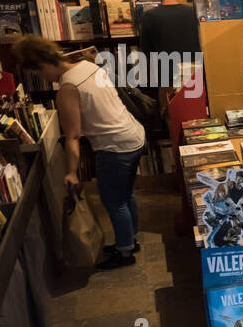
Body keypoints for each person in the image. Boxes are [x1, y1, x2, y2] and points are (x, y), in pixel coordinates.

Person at [13, 36, 147, 270]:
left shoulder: (67, 89)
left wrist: (72, 173)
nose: (44, 79)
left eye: (39, 74)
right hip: (134, 135)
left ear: (43, 66)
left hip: (114, 147)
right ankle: (130, 240)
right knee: (126, 195)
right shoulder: (88, 65)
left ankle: (125, 252)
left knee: (114, 201)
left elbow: (73, 136)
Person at [138, 0, 200, 97]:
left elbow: (146, 51)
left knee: (171, 112)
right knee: (195, 110)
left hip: (166, 76)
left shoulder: (150, 16)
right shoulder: (194, 12)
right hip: (194, 72)